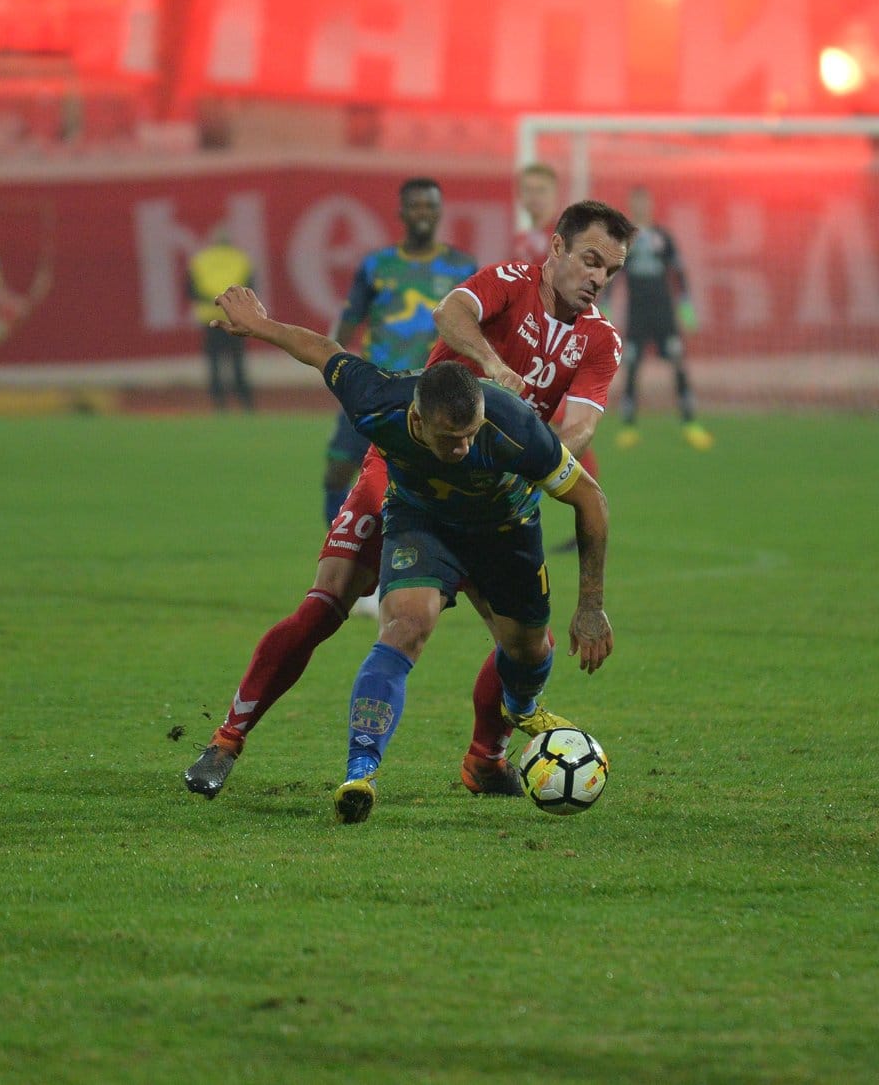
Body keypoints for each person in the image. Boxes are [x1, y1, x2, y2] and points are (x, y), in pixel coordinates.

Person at [185, 200, 629, 801]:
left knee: (529, 647)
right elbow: (449, 316)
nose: (599, 278)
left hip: (497, 484)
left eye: (611, 270)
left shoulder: (600, 341)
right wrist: (493, 366)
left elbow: (577, 432)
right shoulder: (506, 283)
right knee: (329, 603)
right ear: (556, 250)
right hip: (408, 467)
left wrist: (532, 458)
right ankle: (227, 741)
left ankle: (485, 757)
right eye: (590, 260)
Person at [321, 178, 476, 525]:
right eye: (416, 206)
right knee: (337, 471)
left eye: (430, 206)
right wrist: (336, 373)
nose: (423, 213)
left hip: (431, 390)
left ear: (439, 213)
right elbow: (347, 323)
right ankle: (341, 555)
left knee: (439, 479)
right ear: (402, 212)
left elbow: (477, 328)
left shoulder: (462, 268)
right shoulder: (377, 265)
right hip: (373, 384)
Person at [615, 186, 712, 450]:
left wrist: (686, 308)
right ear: (631, 204)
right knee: (632, 366)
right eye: (636, 202)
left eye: (645, 201)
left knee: (678, 364)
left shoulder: (663, 237)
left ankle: (690, 424)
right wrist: (605, 307)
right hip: (637, 313)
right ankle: (629, 426)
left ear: (651, 204)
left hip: (663, 312)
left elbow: (678, 273)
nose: (641, 206)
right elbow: (614, 276)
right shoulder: (624, 239)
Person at [187, 227, 254, 411]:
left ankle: (218, 403)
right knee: (238, 361)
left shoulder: (201, 260)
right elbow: (250, 288)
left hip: (209, 317)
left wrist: (212, 300)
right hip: (235, 316)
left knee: (214, 361)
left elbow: (191, 290)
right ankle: (245, 402)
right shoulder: (240, 259)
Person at [511, 161, 560, 264]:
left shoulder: (564, 237)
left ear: (555, 192)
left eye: (541, 190)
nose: (534, 196)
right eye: (528, 190)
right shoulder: (519, 240)